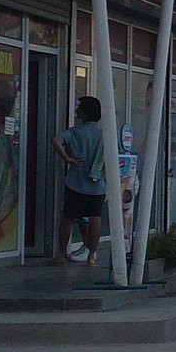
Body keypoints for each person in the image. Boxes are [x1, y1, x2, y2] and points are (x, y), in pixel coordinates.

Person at [50, 96, 105, 266]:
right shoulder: (104, 134)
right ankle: (91, 255)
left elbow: (56, 140)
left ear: (85, 113)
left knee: (67, 217)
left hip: (76, 183)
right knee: (95, 218)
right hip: (97, 185)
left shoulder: (75, 132)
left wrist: (67, 158)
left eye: (79, 107)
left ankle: (61, 254)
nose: (76, 110)